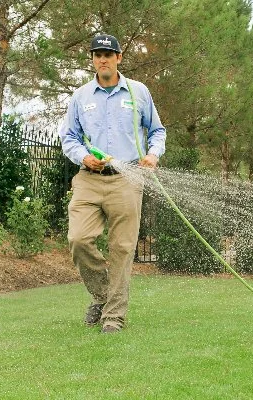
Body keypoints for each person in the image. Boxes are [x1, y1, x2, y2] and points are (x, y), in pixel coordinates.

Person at [61, 33, 166, 334]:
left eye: (108, 54)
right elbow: (69, 137)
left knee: (121, 248)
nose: (102, 59)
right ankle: (103, 295)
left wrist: (153, 154)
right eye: (97, 54)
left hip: (127, 179)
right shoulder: (81, 97)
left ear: (119, 58)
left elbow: (157, 131)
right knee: (78, 239)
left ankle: (113, 316)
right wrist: (83, 157)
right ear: (93, 60)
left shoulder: (138, 92)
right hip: (89, 179)